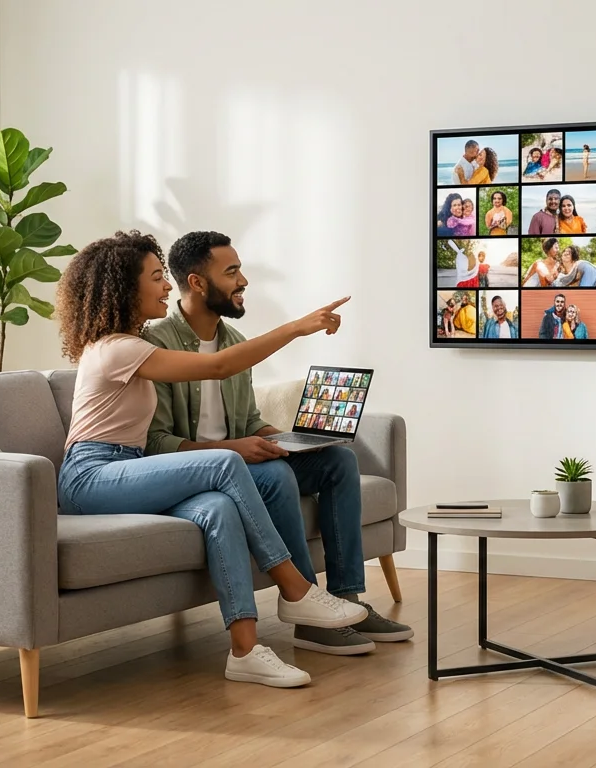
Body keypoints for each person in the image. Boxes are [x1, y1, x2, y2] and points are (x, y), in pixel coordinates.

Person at [54, 230, 366, 689]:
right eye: (158, 278)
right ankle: (296, 588)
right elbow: (218, 367)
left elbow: (225, 373)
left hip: (131, 468)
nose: (166, 287)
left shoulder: (128, 345)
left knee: (217, 509)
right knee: (225, 463)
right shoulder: (116, 349)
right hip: (91, 475)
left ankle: (244, 650)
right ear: (124, 288)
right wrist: (297, 327)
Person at [143, 231, 413, 658]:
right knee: (274, 473)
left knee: (338, 461)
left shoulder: (233, 342)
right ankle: (305, 613)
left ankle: (347, 601)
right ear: (197, 283)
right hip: (198, 470)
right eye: (231, 272)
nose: (243, 280)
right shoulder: (156, 342)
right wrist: (237, 448)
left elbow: (248, 420)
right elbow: (155, 443)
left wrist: (290, 438)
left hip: (241, 457)